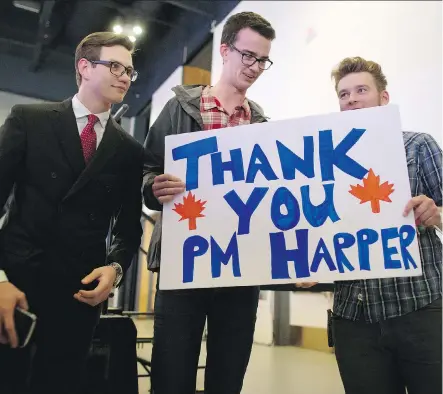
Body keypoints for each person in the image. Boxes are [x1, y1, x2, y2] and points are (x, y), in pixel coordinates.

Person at [0, 32, 144, 394]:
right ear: (84, 67)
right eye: (115, 66)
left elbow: (128, 229)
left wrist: (115, 270)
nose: (125, 76)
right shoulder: (29, 120)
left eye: (129, 70)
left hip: (80, 294)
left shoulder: (129, 150)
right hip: (16, 285)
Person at [143, 11, 276, 394]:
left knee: (228, 373)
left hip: (240, 267)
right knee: (171, 370)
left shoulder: (264, 129)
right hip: (185, 261)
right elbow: (147, 172)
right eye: (247, 55)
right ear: (224, 50)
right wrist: (155, 187)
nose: (254, 66)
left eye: (263, 59)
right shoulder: (180, 109)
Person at [301, 57, 442, 394]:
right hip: (354, 319)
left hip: (419, 311)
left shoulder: (418, 147)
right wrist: (309, 260)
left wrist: (437, 214)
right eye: (343, 94)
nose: (351, 99)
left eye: (361, 90)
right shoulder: (325, 166)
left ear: (383, 98)